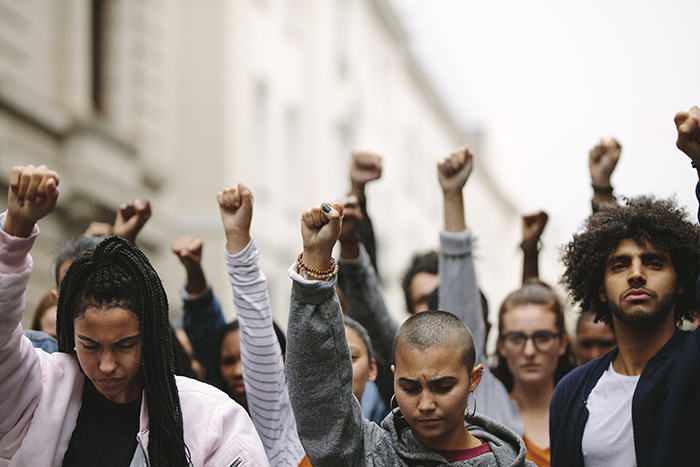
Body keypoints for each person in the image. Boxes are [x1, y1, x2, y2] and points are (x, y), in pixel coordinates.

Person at [0, 164, 269, 466]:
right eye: (89, 345)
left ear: (150, 334)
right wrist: (14, 233)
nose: (107, 365)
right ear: (68, 330)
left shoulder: (212, 422)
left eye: (124, 345)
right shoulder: (37, 393)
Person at [286, 200, 535, 466]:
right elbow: (322, 402)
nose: (425, 404)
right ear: (394, 378)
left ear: (474, 378)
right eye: (410, 387)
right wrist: (315, 264)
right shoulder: (371, 455)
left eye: (443, 387)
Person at [549, 106, 700, 467]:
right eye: (620, 265)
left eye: (654, 262)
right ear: (599, 288)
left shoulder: (694, 366)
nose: (636, 273)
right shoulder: (571, 391)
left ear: (682, 281)